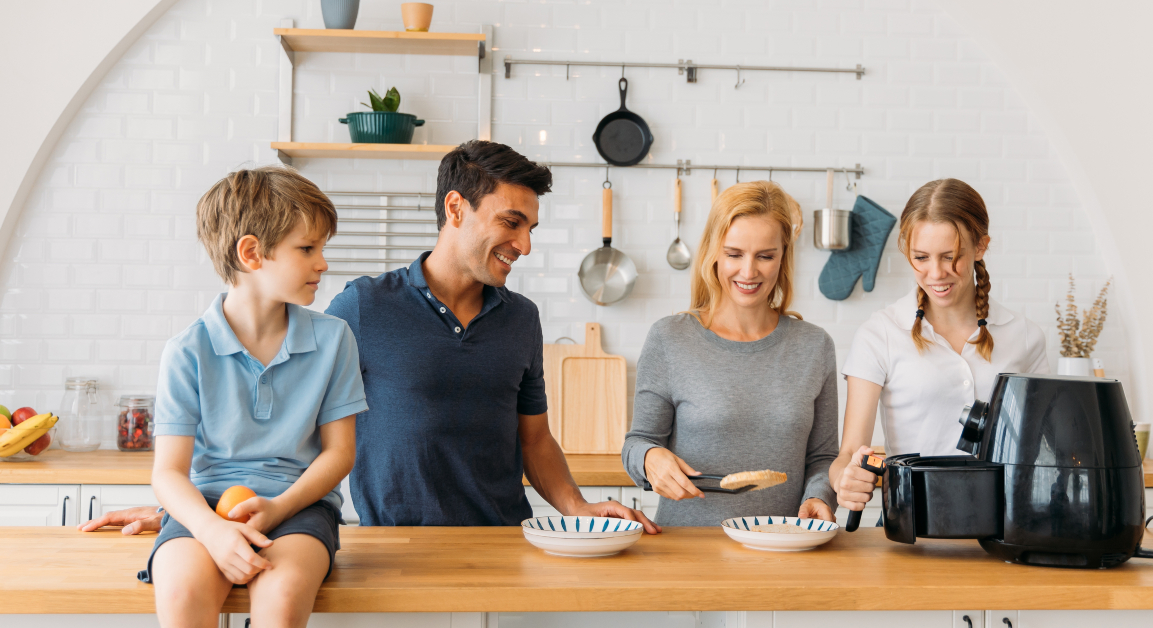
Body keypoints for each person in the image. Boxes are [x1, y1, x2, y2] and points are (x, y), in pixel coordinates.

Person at [81, 140, 657, 535]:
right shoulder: (360, 307)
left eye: (531, 228)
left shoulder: (522, 318)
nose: (525, 245)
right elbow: (287, 430)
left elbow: (534, 441)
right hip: (390, 544)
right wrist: (197, 513)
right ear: (456, 208)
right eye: (512, 222)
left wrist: (579, 506)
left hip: (501, 541)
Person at [144, 166, 366, 628]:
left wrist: (279, 507)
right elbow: (167, 473)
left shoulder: (334, 339)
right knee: (183, 592)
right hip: (203, 511)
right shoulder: (187, 351)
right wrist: (211, 530)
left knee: (283, 598)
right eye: (307, 248)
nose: (322, 263)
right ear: (251, 253)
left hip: (300, 508)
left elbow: (341, 454)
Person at [622, 181, 839, 526]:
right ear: (713, 253)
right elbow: (638, 442)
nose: (749, 271)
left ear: (783, 257)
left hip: (784, 547)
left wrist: (819, 495)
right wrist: (650, 458)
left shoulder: (814, 346)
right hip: (689, 550)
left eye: (765, 256)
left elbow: (823, 457)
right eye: (734, 254)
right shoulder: (670, 338)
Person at [831, 178, 1050, 519]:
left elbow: (1039, 449)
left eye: (951, 257)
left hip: (1002, 525)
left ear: (981, 246)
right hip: (910, 526)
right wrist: (844, 480)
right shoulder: (880, 334)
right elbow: (848, 454)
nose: (936, 273)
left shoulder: (1024, 337)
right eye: (921, 257)